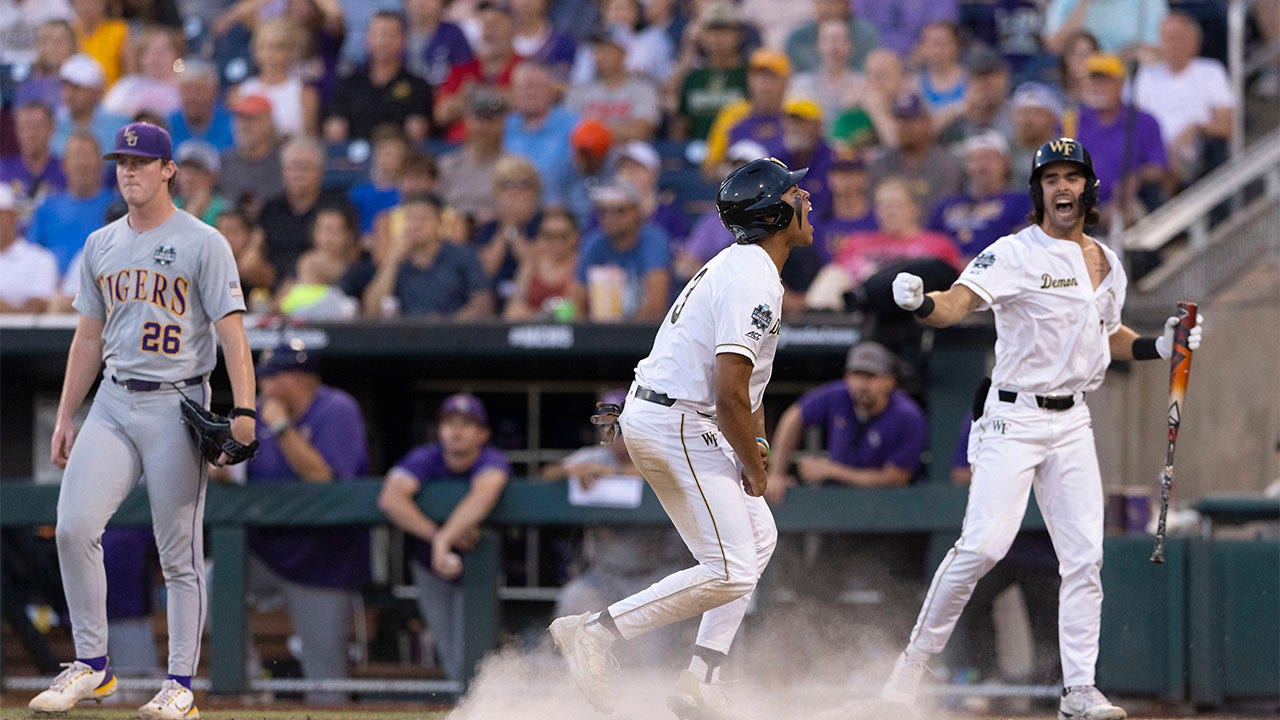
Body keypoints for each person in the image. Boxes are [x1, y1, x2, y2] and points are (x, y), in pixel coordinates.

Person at [880, 137, 1205, 720]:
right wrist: (921, 304)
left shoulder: (1107, 262)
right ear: (1039, 191)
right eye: (1051, 178)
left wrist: (1164, 345)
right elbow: (958, 304)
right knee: (982, 546)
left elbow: (1111, 336)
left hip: (1072, 419)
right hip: (1012, 415)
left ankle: (1078, 689)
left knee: (1085, 557)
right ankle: (913, 665)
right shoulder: (1014, 252)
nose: (1062, 187)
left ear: (1088, 188)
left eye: (1072, 177)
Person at [548, 157, 813, 718]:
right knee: (731, 567)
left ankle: (702, 678)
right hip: (679, 421)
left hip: (680, 418)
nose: (806, 197)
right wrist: (757, 466)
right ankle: (597, 630)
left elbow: (750, 391)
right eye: (795, 193)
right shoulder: (752, 277)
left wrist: (754, 448)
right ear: (773, 212)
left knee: (756, 541)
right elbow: (730, 393)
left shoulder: (748, 266)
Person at [28, 122, 257, 718]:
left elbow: (234, 334)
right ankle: (93, 665)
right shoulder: (101, 243)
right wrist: (67, 412)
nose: (128, 170)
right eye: (122, 161)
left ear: (167, 170)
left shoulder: (204, 241)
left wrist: (245, 410)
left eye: (140, 161)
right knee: (75, 526)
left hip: (175, 400)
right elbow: (87, 336)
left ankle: (180, 682)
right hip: (111, 396)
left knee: (177, 550)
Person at [229, 341, 370, 703]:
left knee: (327, 684)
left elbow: (323, 480)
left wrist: (280, 426)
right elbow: (237, 470)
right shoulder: (256, 412)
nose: (263, 388)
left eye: (271, 378)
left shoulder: (337, 410)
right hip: (268, 553)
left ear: (298, 378)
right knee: (217, 579)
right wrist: (220, 468)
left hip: (324, 561)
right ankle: (247, 688)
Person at [542, 390, 688, 668]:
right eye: (607, 425)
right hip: (604, 577)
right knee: (572, 603)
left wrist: (612, 475)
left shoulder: (661, 454)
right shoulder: (596, 457)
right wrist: (573, 471)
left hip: (654, 578)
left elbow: (675, 474)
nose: (613, 432)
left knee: (650, 666)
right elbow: (547, 474)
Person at [377, 393, 511, 680]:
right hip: (430, 568)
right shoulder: (426, 457)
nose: (456, 430)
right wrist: (440, 537)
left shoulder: (491, 459)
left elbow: (484, 494)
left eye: (466, 424)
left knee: (477, 651)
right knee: (450, 653)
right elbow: (390, 498)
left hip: (479, 569)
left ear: (483, 433)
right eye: (449, 423)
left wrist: (443, 539)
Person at [324, 10, 433, 144]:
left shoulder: (417, 85)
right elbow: (335, 123)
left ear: (404, 40)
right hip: (354, 159)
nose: (383, 42)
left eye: (390, 35)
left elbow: (418, 132)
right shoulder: (348, 83)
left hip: (400, 157)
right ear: (367, 39)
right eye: (377, 34)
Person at [0, 184, 60, 314]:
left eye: (0, 215)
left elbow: (38, 307)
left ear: (14, 217)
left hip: (25, 334)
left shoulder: (40, 258)